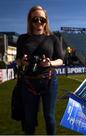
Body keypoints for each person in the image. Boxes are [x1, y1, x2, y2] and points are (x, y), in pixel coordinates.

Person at [15, 5, 64, 135]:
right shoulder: (22, 38)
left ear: (46, 20)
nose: (39, 22)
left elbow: (60, 60)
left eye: (42, 19)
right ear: (30, 21)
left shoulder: (53, 38)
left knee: (49, 117)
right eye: (35, 19)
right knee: (29, 119)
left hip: (49, 80)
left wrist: (50, 63)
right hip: (28, 82)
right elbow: (18, 59)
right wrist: (23, 61)